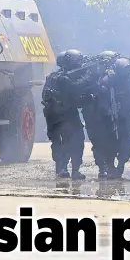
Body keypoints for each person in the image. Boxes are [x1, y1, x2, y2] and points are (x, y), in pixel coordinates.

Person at [41, 49, 86, 180]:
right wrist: (88, 78)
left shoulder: (52, 76)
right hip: (66, 115)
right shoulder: (64, 78)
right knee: (76, 141)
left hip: (52, 116)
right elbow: (75, 90)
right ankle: (73, 170)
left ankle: (61, 168)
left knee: (58, 143)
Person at [76, 51, 119, 179]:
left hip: (109, 115)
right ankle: (103, 168)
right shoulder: (89, 76)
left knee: (112, 142)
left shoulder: (112, 75)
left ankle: (111, 166)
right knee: (99, 143)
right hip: (94, 116)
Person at [100, 57, 130, 179]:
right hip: (110, 119)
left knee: (128, 143)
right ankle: (110, 167)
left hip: (126, 117)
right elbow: (102, 98)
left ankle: (120, 166)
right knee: (109, 144)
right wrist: (108, 112)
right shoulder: (108, 80)